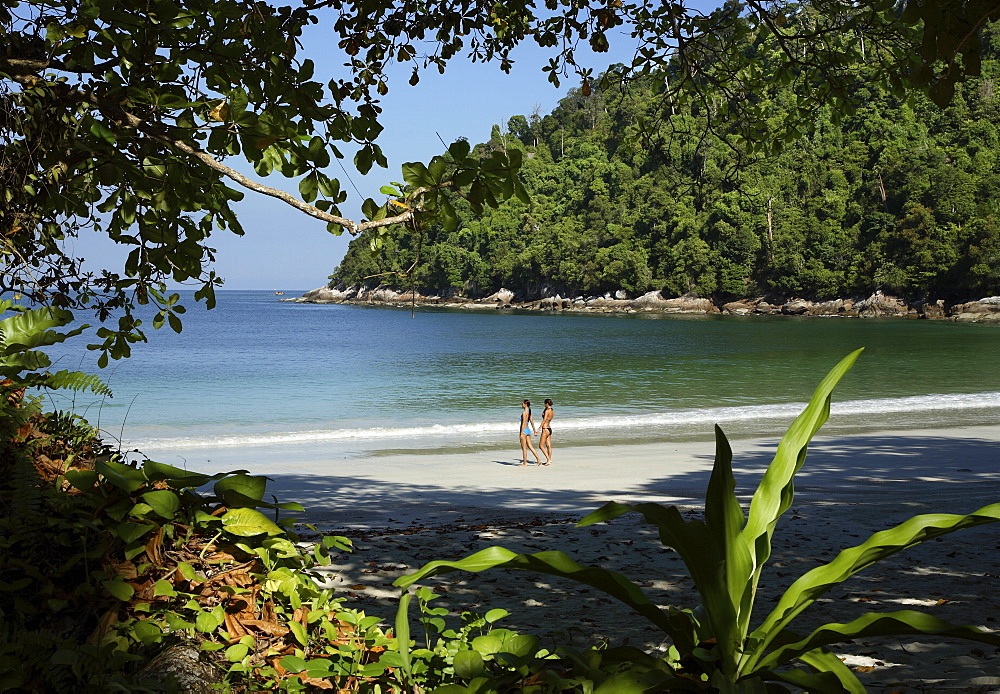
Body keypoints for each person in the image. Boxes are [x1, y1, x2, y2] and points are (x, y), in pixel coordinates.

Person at [518, 399, 543, 467]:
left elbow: (523, 424)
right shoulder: (529, 412)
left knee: (524, 448)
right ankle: (539, 460)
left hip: (524, 430)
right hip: (528, 430)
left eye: (522, 403)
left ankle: (525, 463)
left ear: (525, 404)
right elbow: (532, 422)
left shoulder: (524, 413)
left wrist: (521, 433)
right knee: (530, 446)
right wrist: (534, 430)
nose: (521, 404)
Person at [538, 398, 554, 465]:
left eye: (544, 403)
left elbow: (544, 420)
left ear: (547, 404)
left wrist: (539, 428)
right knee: (548, 445)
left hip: (545, 428)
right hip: (549, 428)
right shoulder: (552, 410)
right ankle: (549, 460)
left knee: (541, 445)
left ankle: (548, 459)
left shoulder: (547, 411)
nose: (543, 404)